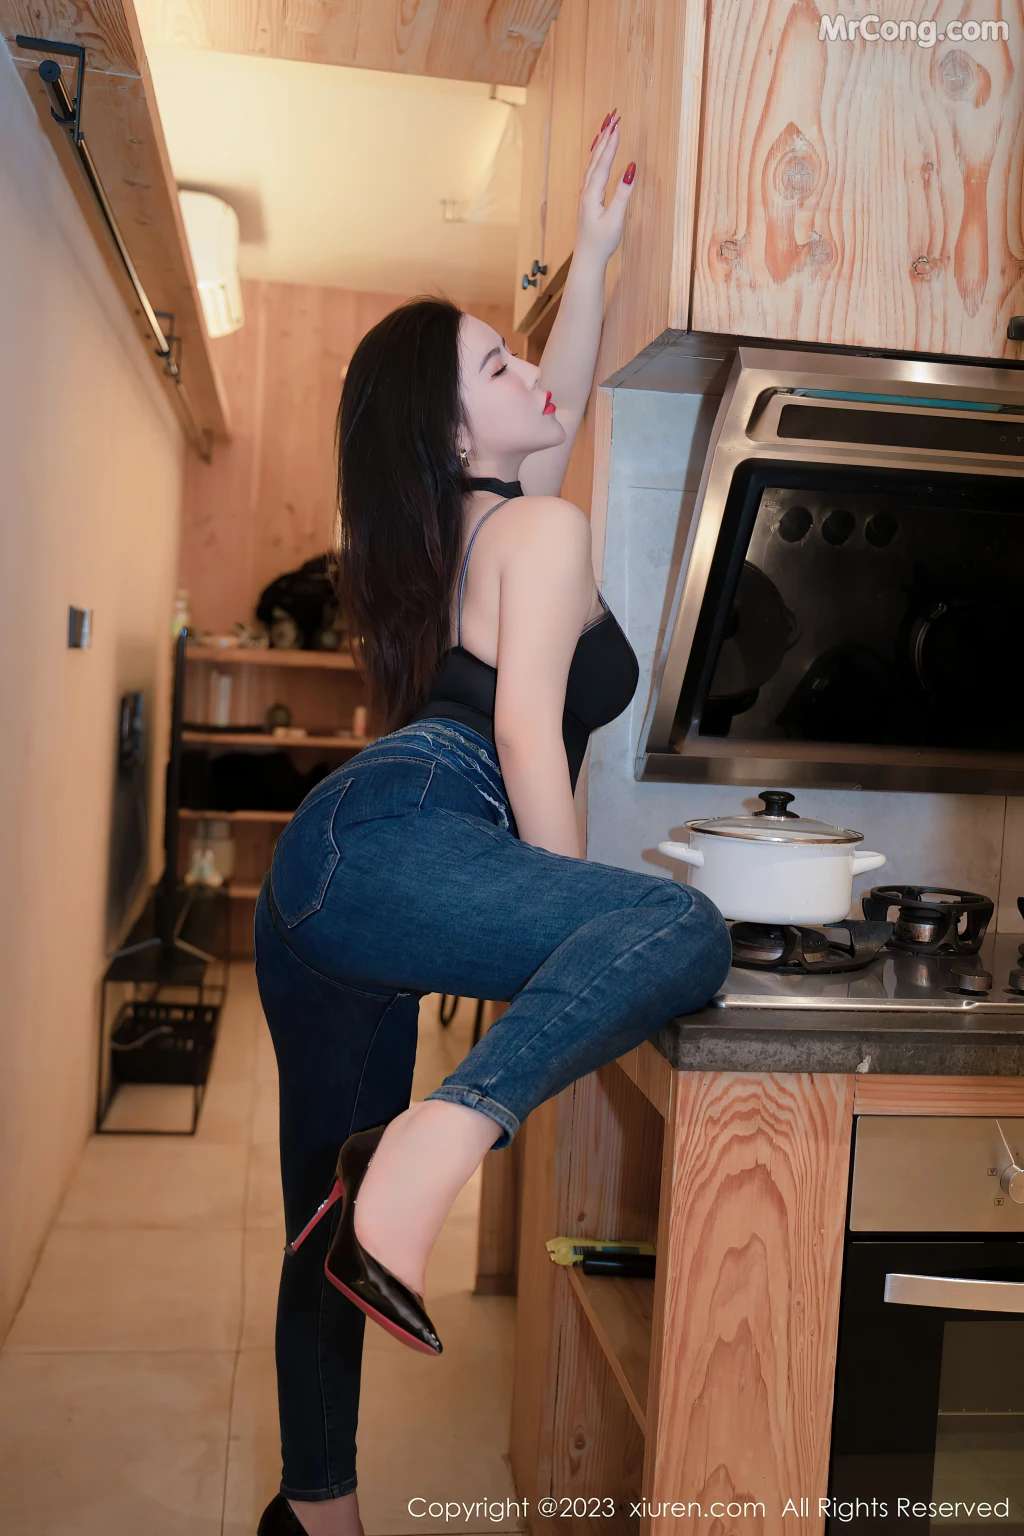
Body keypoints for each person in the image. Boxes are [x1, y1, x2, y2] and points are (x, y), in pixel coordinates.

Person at [253, 109, 732, 1536]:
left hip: (332, 867)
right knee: (680, 927)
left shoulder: (478, 532)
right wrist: (564, 930)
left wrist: (595, 252)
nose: (536, 377)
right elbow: (527, 733)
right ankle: (431, 1146)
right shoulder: (542, 530)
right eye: (498, 367)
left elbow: (551, 409)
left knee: (322, 1224)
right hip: (418, 820)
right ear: (456, 432)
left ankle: (316, 1519)